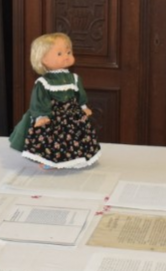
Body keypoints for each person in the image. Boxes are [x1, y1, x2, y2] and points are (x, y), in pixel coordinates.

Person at [8, 32, 101, 169]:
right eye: (59, 54)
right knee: (51, 139)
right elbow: (39, 100)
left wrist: (83, 106)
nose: (66, 56)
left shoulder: (74, 78)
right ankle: (48, 160)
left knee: (75, 137)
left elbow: (79, 94)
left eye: (68, 52)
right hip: (52, 115)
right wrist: (41, 115)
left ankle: (75, 158)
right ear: (43, 59)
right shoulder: (44, 82)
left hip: (72, 115)